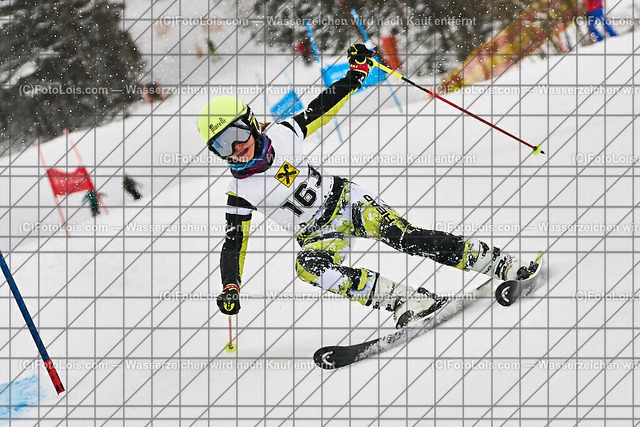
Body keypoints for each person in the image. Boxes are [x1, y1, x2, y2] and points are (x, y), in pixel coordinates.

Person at [197, 44, 537, 329]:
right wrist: (231, 285)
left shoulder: (284, 134)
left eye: (238, 134)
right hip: (316, 234)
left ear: (252, 124)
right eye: (222, 146)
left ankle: (497, 262)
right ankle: (404, 300)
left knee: (404, 237)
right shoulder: (240, 193)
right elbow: (234, 243)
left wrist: (355, 75)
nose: (236, 148)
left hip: (346, 202)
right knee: (308, 268)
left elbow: (322, 107)